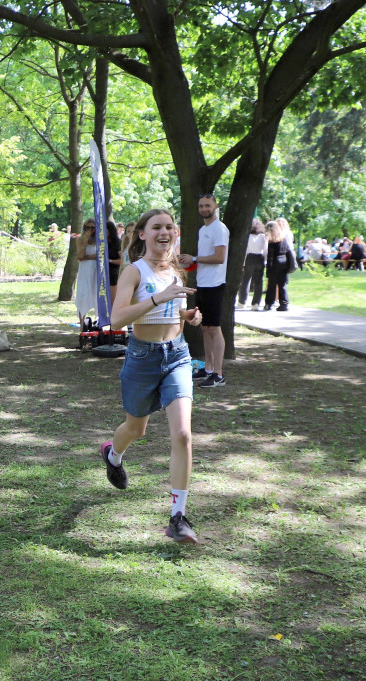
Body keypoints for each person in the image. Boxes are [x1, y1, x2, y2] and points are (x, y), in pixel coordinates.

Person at [100, 208, 203, 543]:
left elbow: (173, 309)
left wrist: (188, 314)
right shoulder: (134, 271)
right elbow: (116, 320)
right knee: (136, 428)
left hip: (177, 356)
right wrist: (160, 298)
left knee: (183, 435)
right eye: (157, 227)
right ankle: (113, 455)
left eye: (170, 227)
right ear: (142, 234)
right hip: (142, 358)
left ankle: (178, 517)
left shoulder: (176, 270)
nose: (165, 232)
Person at [179, 193, 228, 388]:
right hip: (203, 284)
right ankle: (207, 369)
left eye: (207, 205)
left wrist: (195, 259)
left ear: (216, 205)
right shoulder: (203, 229)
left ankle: (219, 374)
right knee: (204, 327)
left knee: (214, 329)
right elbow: (202, 258)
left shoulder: (220, 229)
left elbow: (220, 257)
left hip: (215, 285)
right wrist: (189, 262)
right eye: (201, 206)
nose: (204, 209)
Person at [236, 218, 267, 310]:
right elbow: (265, 250)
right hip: (260, 258)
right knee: (259, 281)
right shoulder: (263, 236)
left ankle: (242, 301)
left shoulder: (248, 236)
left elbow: (245, 251)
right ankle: (256, 303)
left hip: (250, 258)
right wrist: (264, 261)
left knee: (246, 280)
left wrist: (243, 263)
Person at [264, 220, 292, 311]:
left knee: (272, 285)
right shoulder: (283, 238)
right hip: (284, 263)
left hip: (275, 263)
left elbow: (270, 257)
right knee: (282, 284)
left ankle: (269, 303)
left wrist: (268, 270)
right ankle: (284, 303)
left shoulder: (272, 241)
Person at [74, 218, 98, 325]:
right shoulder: (80, 239)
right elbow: (80, 256)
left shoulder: (100, 239)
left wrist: (88, 257)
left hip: (96, 270)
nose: (90, 230)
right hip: (85, 271)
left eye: (92, 227)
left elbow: (100, 256)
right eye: (87, 227)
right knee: (83, 295)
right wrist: (85, 241)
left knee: (96, 294)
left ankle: (98, 322)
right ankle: (82, 324)